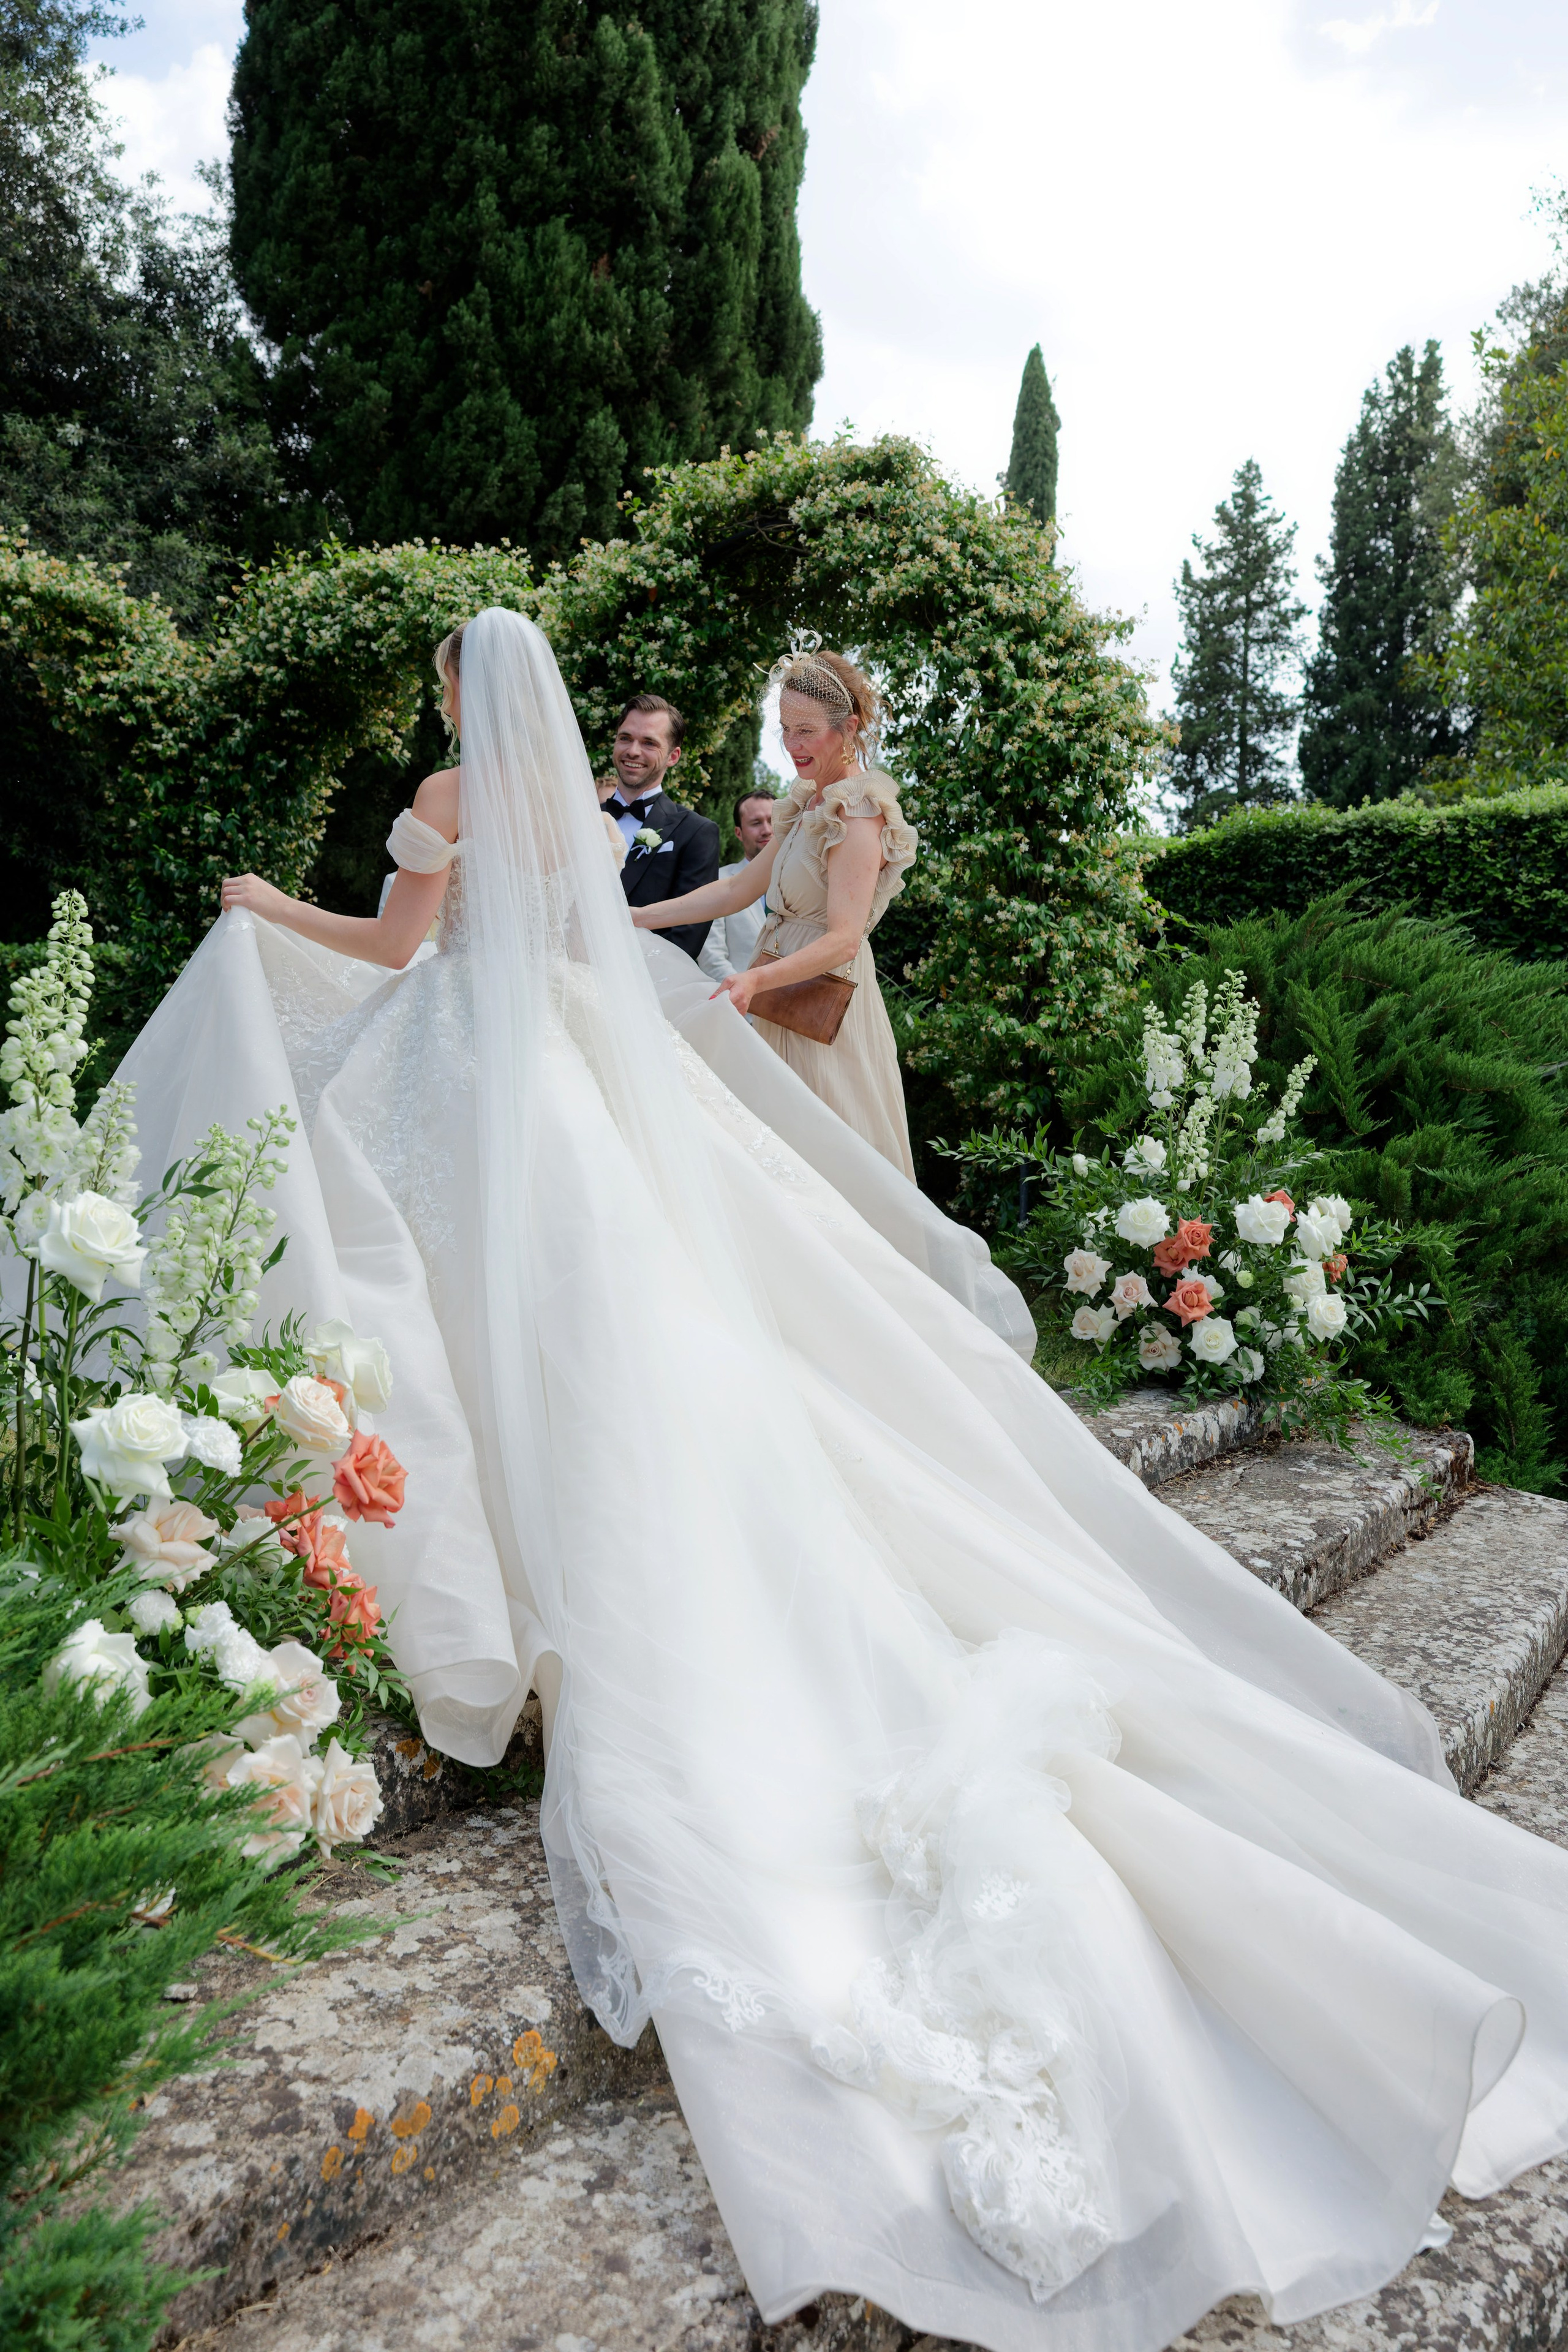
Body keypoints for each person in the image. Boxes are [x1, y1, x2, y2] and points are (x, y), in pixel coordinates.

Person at [126, 607, 1568, 2352]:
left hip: (469, 1065)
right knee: (619, 1329)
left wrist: (256, 908)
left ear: (454, 695)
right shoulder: (573, 808)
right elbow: (592, 940)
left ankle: (494, 1552)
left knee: (434, 1290)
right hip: (563, 1071)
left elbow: (391, 941)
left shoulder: (447, 796)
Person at [634, 644, 918, 1178]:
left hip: (824, 1008)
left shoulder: (858, 811)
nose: (792, 744)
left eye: (806, 730)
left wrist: (754, 981)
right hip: (776, 999)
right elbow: (736, 890)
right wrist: (637, 916)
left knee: (829, 1163)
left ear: (848, 728)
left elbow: (844, 939)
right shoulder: (807, 803)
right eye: (785, 729)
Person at [601, 693, 720, 962]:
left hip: (647, 980)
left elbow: (687, 937)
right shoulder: (579, 819)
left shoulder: (697, 833)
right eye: (625, 738)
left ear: (673, 756)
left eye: (649, 743)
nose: (633, 751)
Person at [696, 787, 777, 985]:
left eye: (772, 821)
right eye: (756, 823)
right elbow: (712, 959)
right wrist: (746, 996)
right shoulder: (717, 881)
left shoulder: (804, 883)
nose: (767, 830)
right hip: (738, 1001)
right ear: (738, 833)